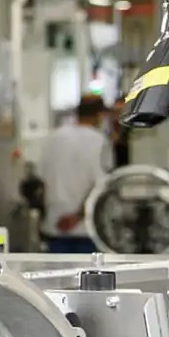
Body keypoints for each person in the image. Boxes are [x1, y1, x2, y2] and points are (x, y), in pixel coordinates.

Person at [38, 94, 114, 254]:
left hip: (56, 225)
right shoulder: (99, 140)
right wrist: (77, 217)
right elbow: (101, 185)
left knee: (56, 276)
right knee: (86, 275)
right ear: (100, 115)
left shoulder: (54, 137)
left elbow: (42, 178)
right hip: (86, 229)